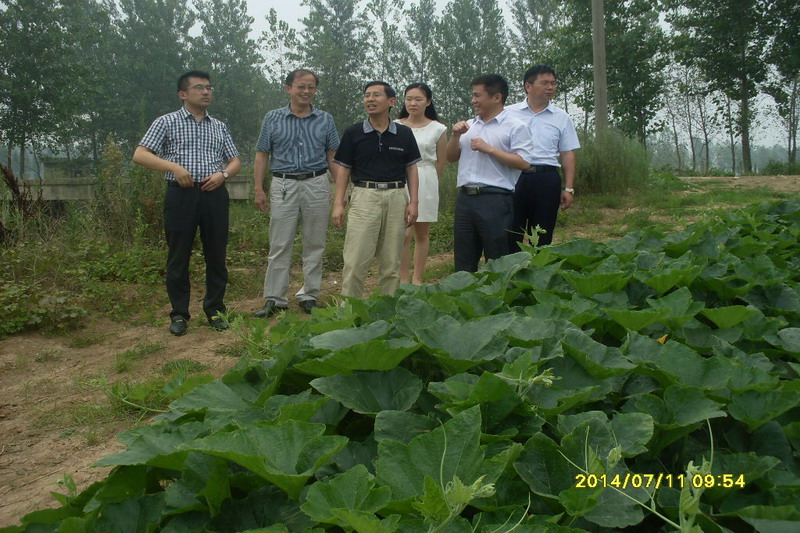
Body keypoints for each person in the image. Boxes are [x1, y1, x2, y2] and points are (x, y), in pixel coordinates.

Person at [133, 70, 241, 336]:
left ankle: (215, 310)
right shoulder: (166, 122)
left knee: (216, 254)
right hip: (181, 195)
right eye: (199, 87)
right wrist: (173, 167)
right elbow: (140, 154)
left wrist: (224, 175)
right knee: (178, 255)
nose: (206, 92)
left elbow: (235, 160)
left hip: (214, 194)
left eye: (209, 87)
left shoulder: (219, 126)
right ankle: (179, 314)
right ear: (183, 94)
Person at [252, 69, 339, 318]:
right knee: (280, 243)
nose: (306, 91)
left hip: (317, 183)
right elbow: (262, 155)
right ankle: (275, 298)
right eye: (301, 86)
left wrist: (341, 191)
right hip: (283, 184)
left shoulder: (325, 119)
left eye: (311, 87)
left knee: (315, 242)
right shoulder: (273, 118)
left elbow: (333, 156)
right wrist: (258, 188)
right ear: (288, 88)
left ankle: (309, 295)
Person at [331, 81, 421, 298]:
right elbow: (344, 169)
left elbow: (411, 168)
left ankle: (388, 310)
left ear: (391, 101)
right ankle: (349, 311)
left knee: (391, 264)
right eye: (367, 95)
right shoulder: (354, 133)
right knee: (355, 262)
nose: (370, 99)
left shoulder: (404, 134)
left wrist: (414, 202)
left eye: (376, 95)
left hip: (396, 196)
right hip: (364, 197)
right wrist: (338, 202)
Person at [446, 74, 536, 273]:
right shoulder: (469, 126)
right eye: (473, 95)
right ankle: (464, 291)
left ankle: (499, 291)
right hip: (465, 199)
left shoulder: (515, 126)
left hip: (495, 199)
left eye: (477, 95)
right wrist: (455, 136)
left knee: (497, 258)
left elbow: (523, 162)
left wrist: (490, 149)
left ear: (497, 97)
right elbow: (450, 157)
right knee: (464, 258)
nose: (473, 100)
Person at [506, 64, 579, 248]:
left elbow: (567, 153)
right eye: (545, 83)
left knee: (542, 234)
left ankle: (539, 265)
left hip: (546, 178)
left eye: (553, 83)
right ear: (528, 86)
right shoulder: (508, 113)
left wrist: (568, 188)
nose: (550, 87)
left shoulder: (561, 117)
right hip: (513, 177)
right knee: (510, 231)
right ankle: (509, 265)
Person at [396, 83, 448, 285]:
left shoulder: (438, 128)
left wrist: (431, 181)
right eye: (409, 99)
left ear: (428, 102)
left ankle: (417, 278)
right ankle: (402, 279)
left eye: (418, 99)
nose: (413, 103)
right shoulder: (395, 125)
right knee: (403, 233)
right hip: (399, 179)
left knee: (422, 232)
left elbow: (441, 162)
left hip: (426, 178)